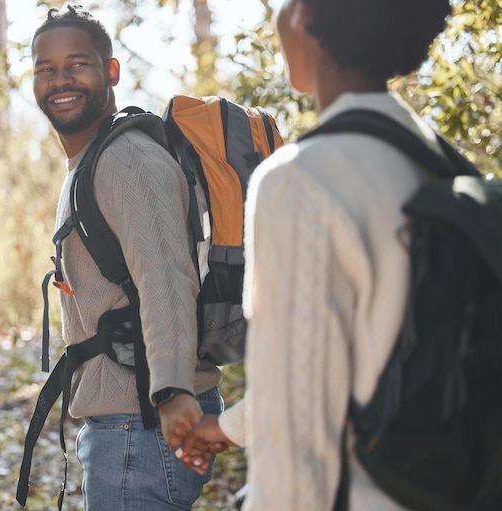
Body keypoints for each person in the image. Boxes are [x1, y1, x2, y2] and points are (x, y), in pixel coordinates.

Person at [178, 0, 453, 509]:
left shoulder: (299, 179)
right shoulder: (440, 161)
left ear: (303, 16)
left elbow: (297, 411)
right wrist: (231, 428)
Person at [30, 5, 223, 510]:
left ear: (111, 71)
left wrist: (172, 391)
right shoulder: (92, 160)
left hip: (141, 427)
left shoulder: (128, 162)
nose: (60, 79)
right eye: (46, 68)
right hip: (127, 426)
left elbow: (166, 279)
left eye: (78, 64)